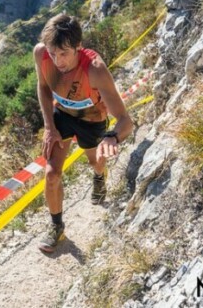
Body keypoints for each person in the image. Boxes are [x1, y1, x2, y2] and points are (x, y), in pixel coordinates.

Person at [34, 14, 133, 253]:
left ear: (78, 46)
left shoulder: (95, 69)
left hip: (92, 120)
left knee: (95, 162)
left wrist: (112, 136)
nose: (57, 60)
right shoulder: (41, 53)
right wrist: (49, 127)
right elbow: (43, 86)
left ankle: (99, 177)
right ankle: (56, 226)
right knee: (51, 174)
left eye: (64, 53)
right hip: (61, 116)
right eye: (53, 53)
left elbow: (125, 120)